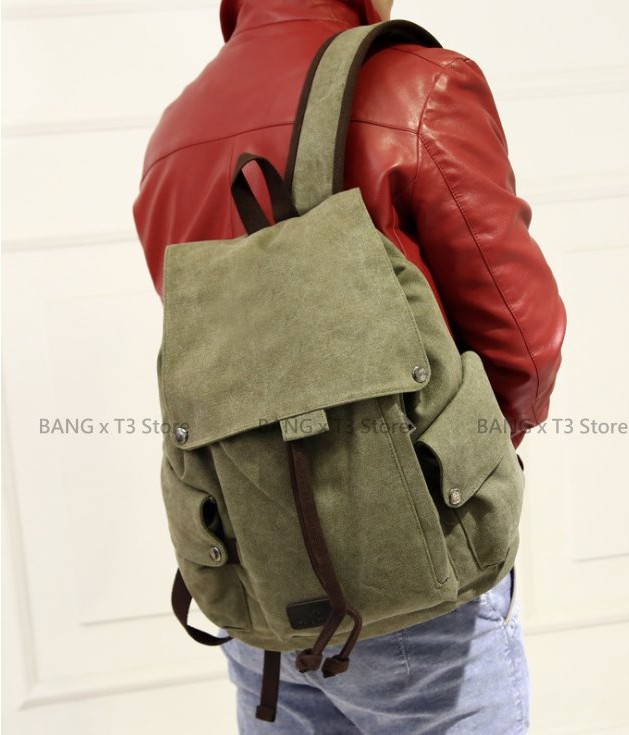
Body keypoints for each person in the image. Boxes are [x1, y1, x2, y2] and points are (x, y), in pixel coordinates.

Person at [133, 0, 566, 732]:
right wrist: (457, 463)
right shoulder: (416, 84)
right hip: (413, 570)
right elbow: (523, 339)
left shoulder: (175, 130)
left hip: (255, 579)